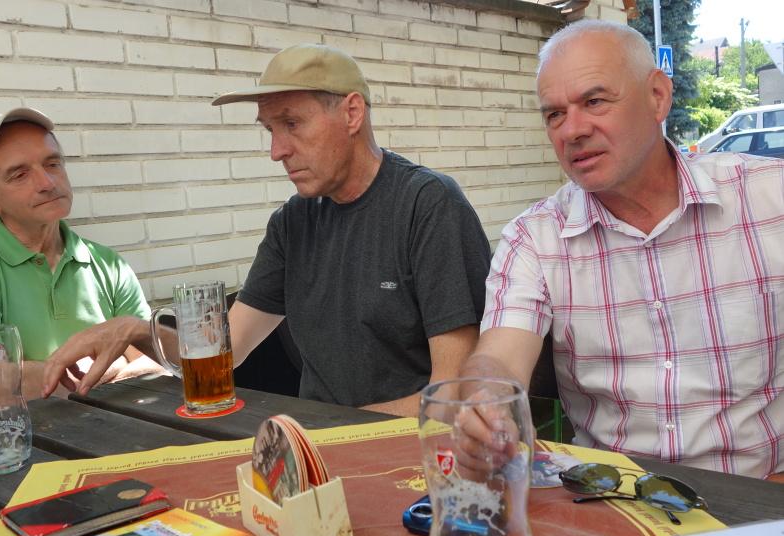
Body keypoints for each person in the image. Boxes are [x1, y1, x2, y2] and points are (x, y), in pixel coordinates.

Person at [43, 44, 491, 416]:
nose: (277, 151)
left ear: (352, 113)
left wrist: (323, 434)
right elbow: (226, 353)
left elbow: (453, 397)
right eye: (270, 129)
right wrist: (135, 329)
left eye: (292, 124)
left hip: (410, 457)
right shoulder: (293, 222)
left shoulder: (427, 204)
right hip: (314, 452)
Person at [462, 19, 784, 479]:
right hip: (610, 499)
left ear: (657, 96)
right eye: (554, 114)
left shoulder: (770, 198)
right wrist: (488, 402)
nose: (572, 130)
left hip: (760, 494)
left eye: (594, 101)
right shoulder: (534, 238)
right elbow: (499, 359)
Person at [0, 108, 162, 417]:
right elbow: (0, 386)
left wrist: (51, 374)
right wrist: (116, 366)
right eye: (19, 174)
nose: (47, 182)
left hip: (127, 432)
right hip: (21, 443)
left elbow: (158, 366)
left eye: (52, 164)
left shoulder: (108, 263)